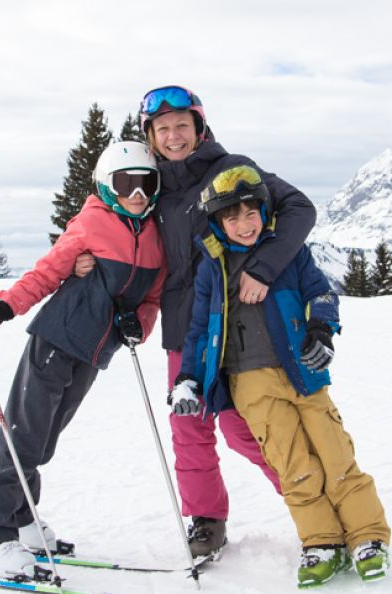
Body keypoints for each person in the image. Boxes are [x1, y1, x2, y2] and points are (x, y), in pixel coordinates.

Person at [76, 85, 317, 557]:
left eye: (182, 125)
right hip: (184, 326)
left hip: (236, 322)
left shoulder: (231, 169)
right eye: (162, 128)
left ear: (199, 128)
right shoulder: (153, 184)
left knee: (244, 428)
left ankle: (313, 504)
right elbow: (120, 228)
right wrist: (86, 257)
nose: (173, 135)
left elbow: (299, 208)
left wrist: (262, 267)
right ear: (150, 135)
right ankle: (207, 520)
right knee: (189, 429)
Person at [170, 162, 391, 588]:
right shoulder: (210, 269)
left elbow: (321, 293)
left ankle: (367, 536)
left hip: (302, 372)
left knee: (335, 454)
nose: (244, 223)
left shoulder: (288, 253)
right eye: (231, 216)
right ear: (217, 221)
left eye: (251, 212)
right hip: (250, 383)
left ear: (265, 212)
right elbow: (199, 331)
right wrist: (189, 378)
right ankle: (321, 541)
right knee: (293, 464)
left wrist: (321, 330)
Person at [0, 141, 166, 576]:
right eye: (127, 184)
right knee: (22, 438)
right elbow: (46, 272)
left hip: (93, 352)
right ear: (108, 186)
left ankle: (22, 518)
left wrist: (138, 325)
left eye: (148, 184)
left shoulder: (155, 239)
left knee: (44, 440)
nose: (139, 195)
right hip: (55, 340)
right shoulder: (92, 223)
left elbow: (151, 298)